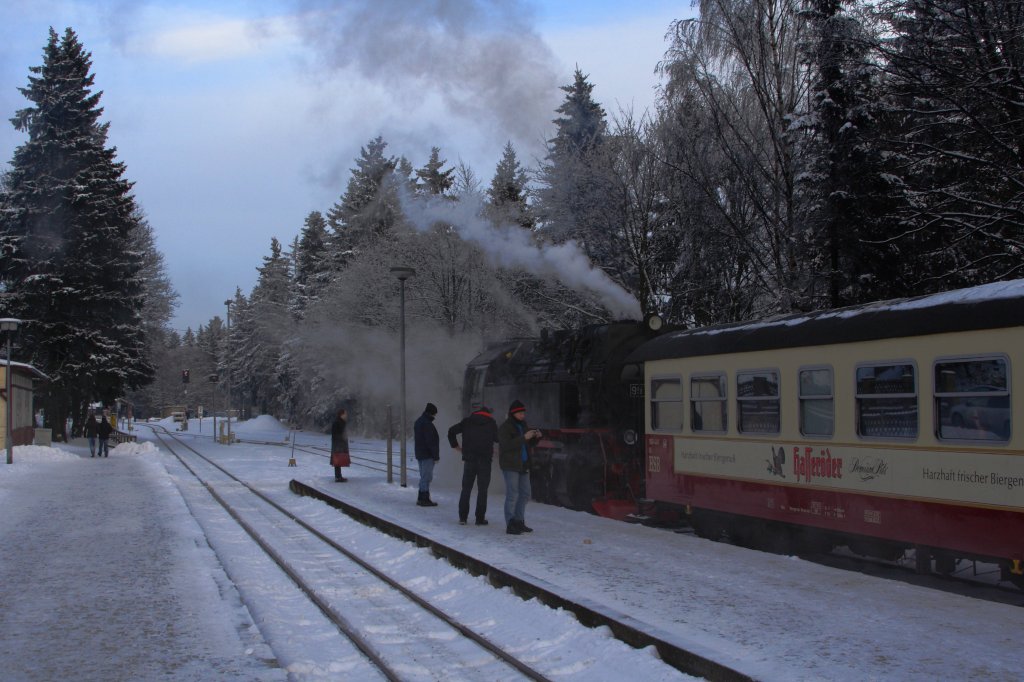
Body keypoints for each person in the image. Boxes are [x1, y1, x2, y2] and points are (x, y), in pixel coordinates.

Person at [447, 405, 498, 525]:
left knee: (466, 489)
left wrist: (456, 446)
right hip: (485, 461)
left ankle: (463, 518)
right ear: (488, 413)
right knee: (482, 490)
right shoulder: (491, 423)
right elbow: (498, 439)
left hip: (469, 460)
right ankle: (480, 519)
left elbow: (451, 431)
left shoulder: (467, 421)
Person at [498, 400, 542, 535]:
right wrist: (524, 437)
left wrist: (536, 438)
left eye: (523, 413)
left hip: (523, 464)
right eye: (520, 413)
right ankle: (510, 523)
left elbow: (528, 445)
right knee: (512, 494)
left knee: (525, 494)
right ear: (513, 413)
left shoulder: (523, 425)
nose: (523, 415)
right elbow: (505, 446)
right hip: (510, 465)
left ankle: (519, 521)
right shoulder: (505, 427)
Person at [414, 403, 440, 507]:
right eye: (434, 414)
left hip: (420, 453)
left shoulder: (419, 421)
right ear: (431, 413)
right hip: (427, 454)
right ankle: (424, 498)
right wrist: (436, 456)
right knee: (426, 477)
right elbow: (431, 442)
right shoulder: (427, 424)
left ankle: (421, 497)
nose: (435, 416)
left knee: (423, 476)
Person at [330, 408, 350, 482]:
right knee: (337, 460)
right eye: (345, 414)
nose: (346, 415)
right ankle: (338, 477)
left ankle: (339, 476)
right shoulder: (337, 422)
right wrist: (342, 438)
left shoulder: (341, 422)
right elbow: (335, 434)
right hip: (338, 444)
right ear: (341, 414)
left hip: (340, 443)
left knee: (339, 460)